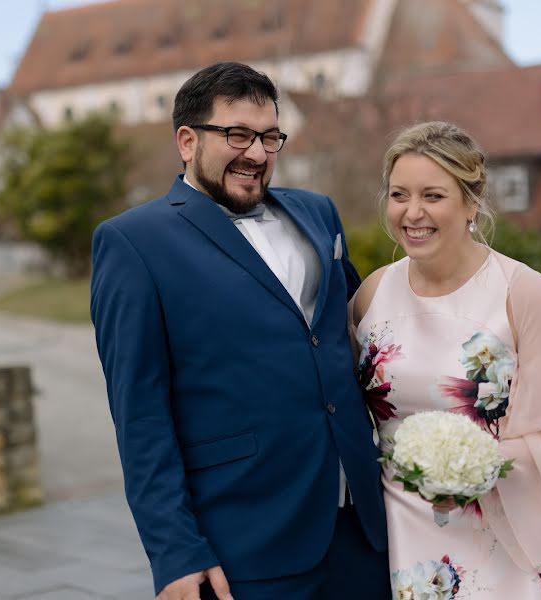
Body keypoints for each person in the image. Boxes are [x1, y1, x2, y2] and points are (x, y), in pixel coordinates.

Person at [90, 62, 390, 600]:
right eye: (237, 135)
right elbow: (140, 414)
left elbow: (363, 333)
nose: (257, 153)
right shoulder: (133, 243)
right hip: (245, 542)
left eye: (270, 137)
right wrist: (175, 551)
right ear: (187, 141)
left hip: (362, 528)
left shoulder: (318, 213)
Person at [351, 121, 541, 598]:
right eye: (399, 194)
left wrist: (470, 467)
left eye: (433, 196)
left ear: (471, 202)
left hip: (507, 532)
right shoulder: (372, 293)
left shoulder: (524, 295)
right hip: (404, 534)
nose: (412, 212)